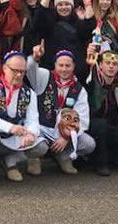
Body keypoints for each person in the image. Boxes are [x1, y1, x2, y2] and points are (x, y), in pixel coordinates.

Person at [0, 51, 48, 191]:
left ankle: (10, 161)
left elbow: (33, 120)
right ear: (5, 68)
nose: (19, 75)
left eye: (22, 71)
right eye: (15, 70)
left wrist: (30, 133)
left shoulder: (29, 93)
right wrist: (10, 127)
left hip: (13, 139)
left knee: (41, 146)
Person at [25, 47, 95, 175]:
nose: (64, 69)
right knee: (39, 147)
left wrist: (66, 137)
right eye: (61, 65)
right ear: (55, 65)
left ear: (73, 66)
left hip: (63, 132)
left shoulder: (79, 89)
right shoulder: (44, 76)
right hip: (42, 129)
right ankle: (34, 158)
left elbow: (82, 119)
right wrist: (35, 58)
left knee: (88, 144)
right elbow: (29, 69)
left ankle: (63, 156)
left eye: (68, 65)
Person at [85, 49, 118, 176]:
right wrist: (90, 67)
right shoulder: (92, 80)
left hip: (109, 127)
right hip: (90, 125)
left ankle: (98, 158)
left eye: (114, 64)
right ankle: (100, 163)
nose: (111, 66)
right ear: (101, 65)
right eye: (108, 63)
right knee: (101, 124)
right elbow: (85, 80)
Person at [34, 0, 96, 72]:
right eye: (60, 4)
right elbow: (39, 18)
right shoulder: (50, 23)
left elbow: (90, 27)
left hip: (75, 73)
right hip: (52, 71)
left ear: (72, 6)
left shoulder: (78, 24)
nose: (64, 7)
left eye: (67, 4)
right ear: (55, 7)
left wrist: (87, 5)